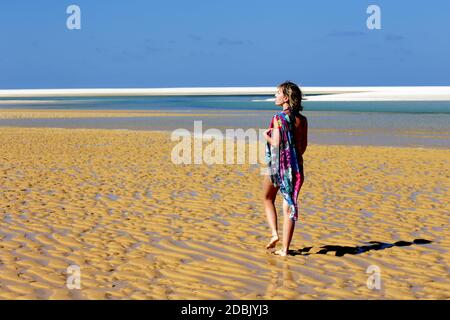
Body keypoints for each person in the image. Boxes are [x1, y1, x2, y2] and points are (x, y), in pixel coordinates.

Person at [262, 81, 308, 256]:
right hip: (296, 167)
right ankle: (285, 250)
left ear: (286, 98)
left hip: (277, 166)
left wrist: (266, 135)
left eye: (277, 93)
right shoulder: (302, 120)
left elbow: (276, 143)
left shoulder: (278, 118)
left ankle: (274, 233)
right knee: (289, 205)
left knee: (267, 198)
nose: (275, 96)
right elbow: (303, 146)